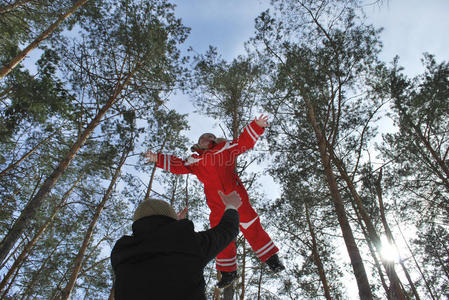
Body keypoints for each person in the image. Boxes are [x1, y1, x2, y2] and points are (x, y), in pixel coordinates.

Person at [145, 114, 284, 288]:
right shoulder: (195, 160)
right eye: (203, 137)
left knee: (250, 224)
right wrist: (157, 158)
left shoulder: (225, 148)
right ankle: (228, 271)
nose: (206, 138)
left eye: (210, 136)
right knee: (220, 232)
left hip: (235, 196)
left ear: (215, 139)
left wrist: (256, 126)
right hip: (216, 201)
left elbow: (243, 143)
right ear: (198, 143)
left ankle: (271, 258)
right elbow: (178, 166)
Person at [111, 190, 242, 300]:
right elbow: (227, 230)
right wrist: (231, 206)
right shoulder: (187, 243)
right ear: (169, 217)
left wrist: (172, 227)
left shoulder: (123, 254)